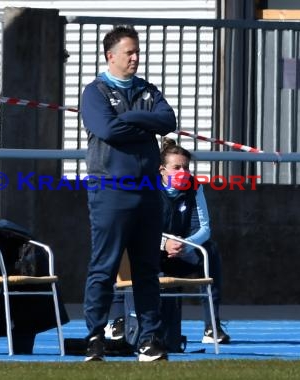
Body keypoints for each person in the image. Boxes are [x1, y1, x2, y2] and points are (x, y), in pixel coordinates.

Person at [80, 25, 177, 362]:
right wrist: (143, 124)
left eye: (137, 52)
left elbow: (167, 120)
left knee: (147, 268)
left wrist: (132, 119)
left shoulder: (147, 90)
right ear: (111, 56)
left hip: (148, 191)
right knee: (104, 267)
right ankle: (95, 337)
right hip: (110, 190)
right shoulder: (94, 92)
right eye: (129, 52)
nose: (136, 58)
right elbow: (107, 129)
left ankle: (149, 339)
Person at [109, 137, 231, 345]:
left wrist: (186, 244)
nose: (183, 172)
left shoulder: (194, 187)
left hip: (182, 251)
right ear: (162, 169)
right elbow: (139, 227)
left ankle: (212, 325)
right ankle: (120, 319)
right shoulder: (147, 187)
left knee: (210, 251)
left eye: (186, 167)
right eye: (176, 167)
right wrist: (163, 243)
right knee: (123, 249)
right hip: (150, 250)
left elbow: (204, 228)